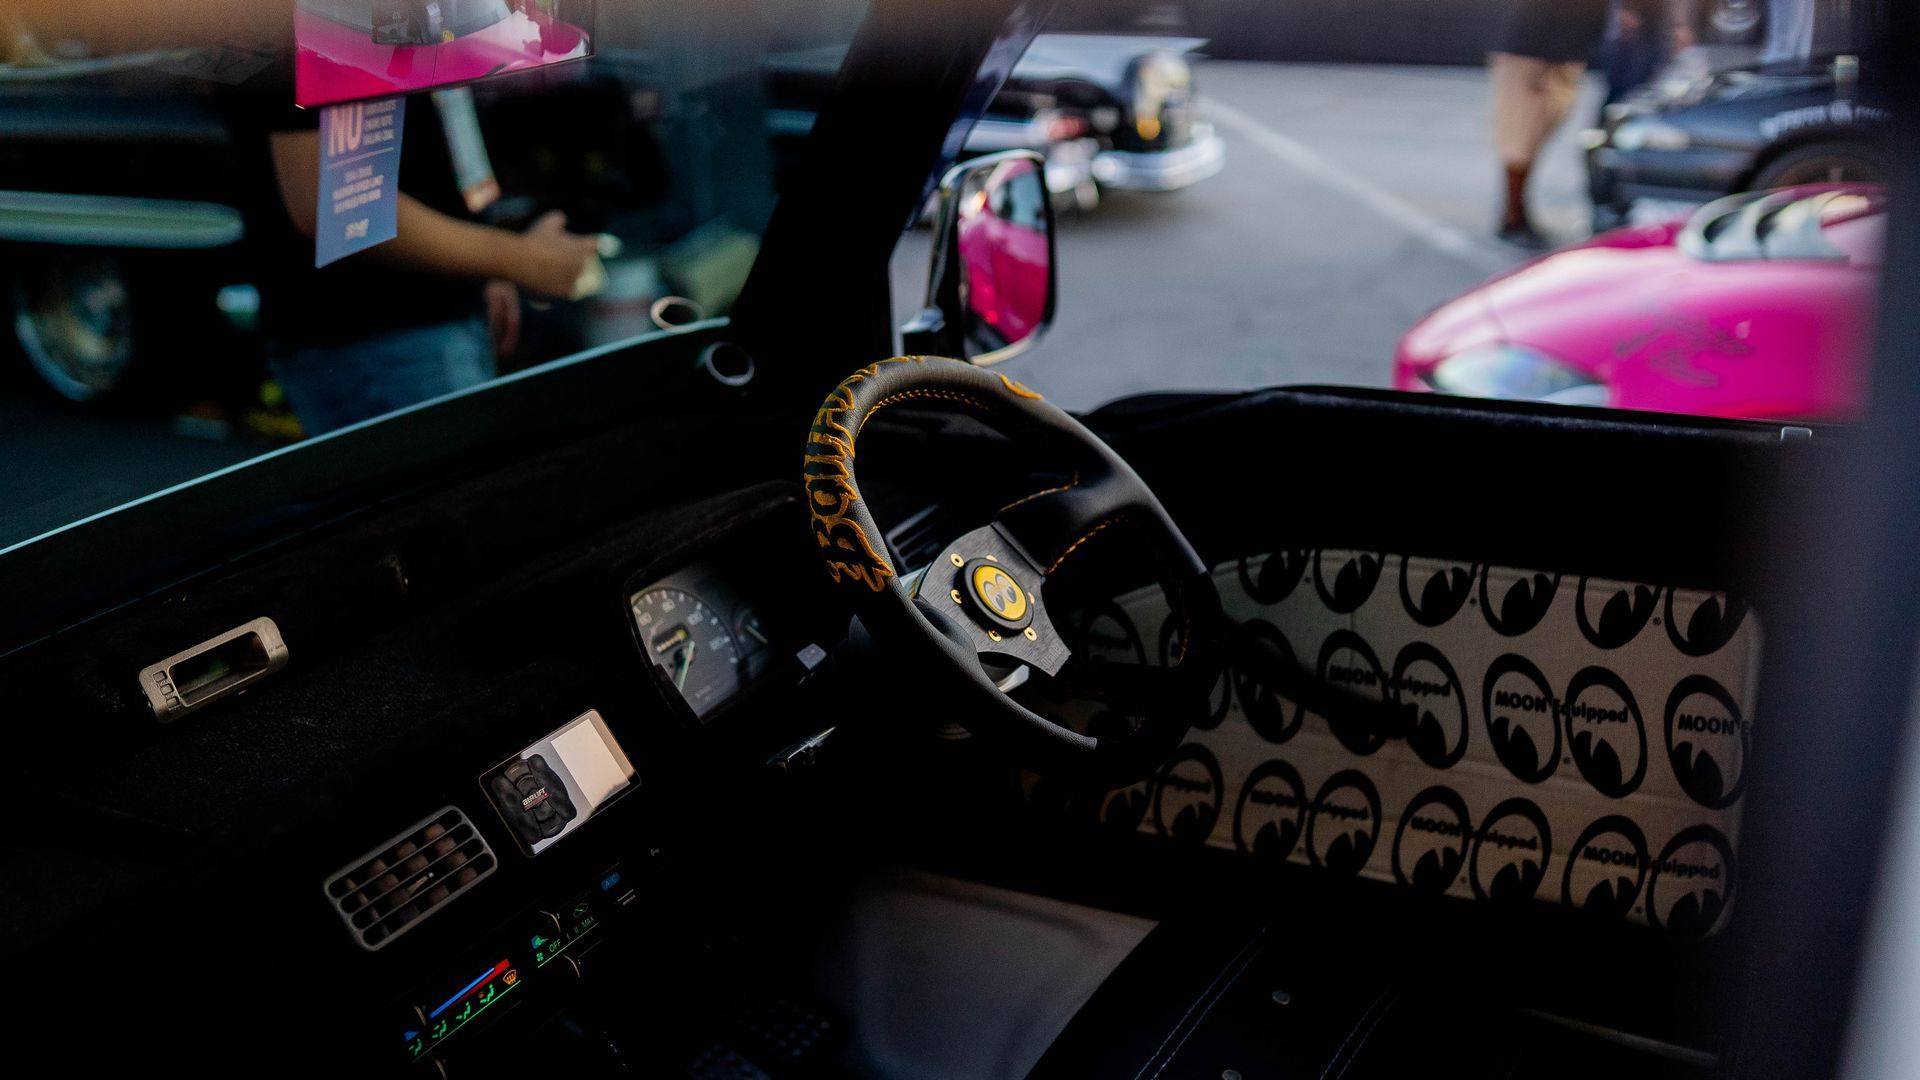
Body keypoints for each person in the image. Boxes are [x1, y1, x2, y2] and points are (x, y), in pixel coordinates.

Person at [228, 55, 600, 436]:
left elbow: (439, 113)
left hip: (420, 322)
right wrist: (516, 259)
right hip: (376, 331)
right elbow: (335, 196)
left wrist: (486, 264)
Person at [1488, 0, 1611, 248]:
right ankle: (1512, 217)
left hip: (1561, 53)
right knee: (1520, 137)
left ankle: (1516, 214)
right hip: (1533, 53)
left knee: (1533, 137)